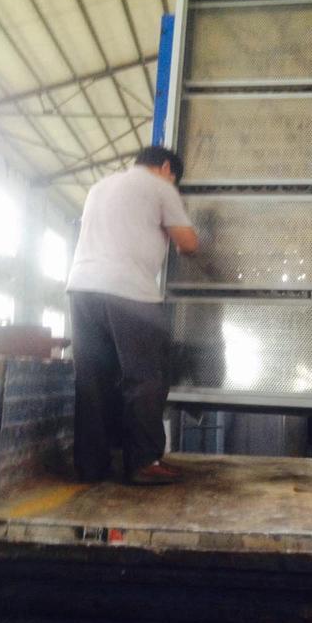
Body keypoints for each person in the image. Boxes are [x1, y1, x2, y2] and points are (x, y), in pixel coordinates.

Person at [66, 146, 198, 485]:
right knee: (146, 377)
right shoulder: (161, 187)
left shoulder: (100, 187)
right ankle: (143, 462)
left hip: (82, 289)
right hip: (128, 291)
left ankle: (91, 466)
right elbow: (187, 243)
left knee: (92, 380)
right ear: (166, 168)